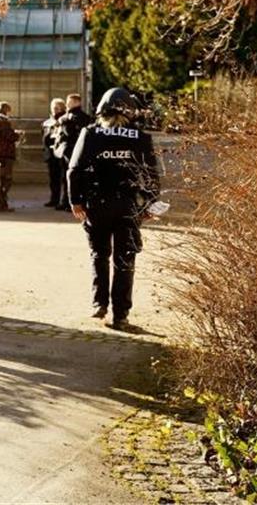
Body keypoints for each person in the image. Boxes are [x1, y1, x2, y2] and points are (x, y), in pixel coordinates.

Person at [66, 87, 160, 330]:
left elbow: (73, 170)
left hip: (97, 204)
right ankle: (121, 315)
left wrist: (75, 201)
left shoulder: (90, 133)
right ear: (130, 111)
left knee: (99, 254)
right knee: (125, 259)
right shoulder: (140, 137)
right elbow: (151, 176)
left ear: (101, 110)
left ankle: (99, 304)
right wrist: (151, 205)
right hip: (128, 206)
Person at [53, 93, 91, 211]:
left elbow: (69, 133)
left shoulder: (70, 117)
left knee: (69, 177)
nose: (67, 104)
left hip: (70, 150)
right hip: (76, 151)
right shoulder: (85, 117)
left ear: (77, 102)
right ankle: (68, 202)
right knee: (73, 177)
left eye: (69, 102)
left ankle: (68, 202)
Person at [0, 101, 23, 212]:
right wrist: (18, 134)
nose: (10, 113)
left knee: (2, 179)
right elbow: (10, 136)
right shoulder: (2, 122)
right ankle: (1, 205)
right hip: (5, 154)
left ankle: (1, 204)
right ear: (6, 110)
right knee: (6, 180)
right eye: (9, 111)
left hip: (0, 153)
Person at [42, 98, 67, 208]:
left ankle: (64, 201)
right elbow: (44, 136)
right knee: (53, 179)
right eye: (53, 108)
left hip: (61, 153)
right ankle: (54, 199)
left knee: (64, 179)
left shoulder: (64, 120)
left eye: (57, 108)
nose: (54, 110)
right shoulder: (47, 123)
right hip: (50, 154)